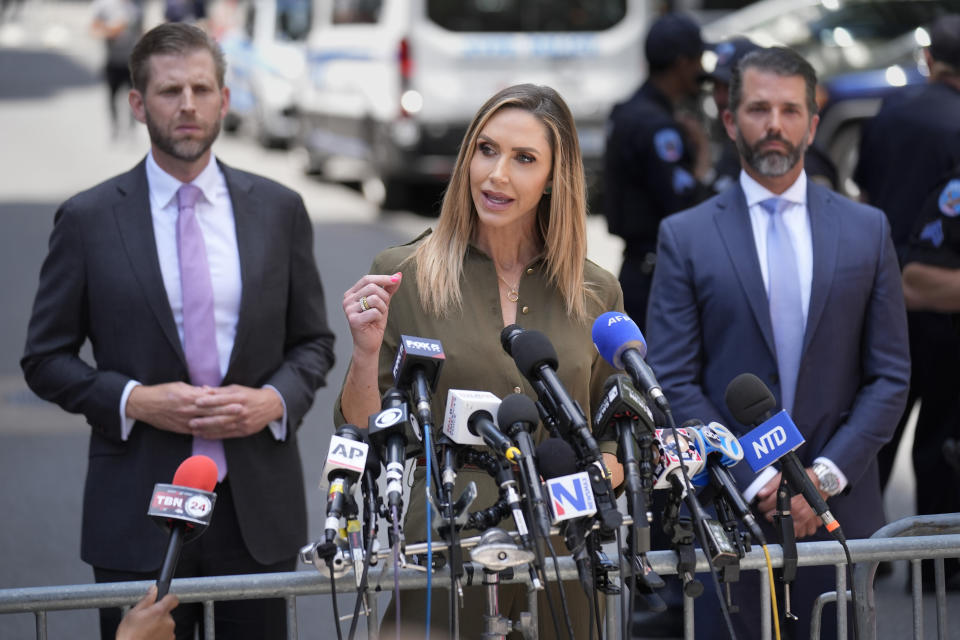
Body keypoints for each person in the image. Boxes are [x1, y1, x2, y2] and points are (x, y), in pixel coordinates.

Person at [21, 22, 336, 640]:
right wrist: (133, 400)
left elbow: (313, 344)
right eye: (169, 91)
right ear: (137, 103)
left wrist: (272, 401)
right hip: (136, 512)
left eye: (201, 88)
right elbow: (45, 357)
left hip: (257, 512)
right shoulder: (88, 219)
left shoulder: (279, 210)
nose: (187, 105)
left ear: (225, 97)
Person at [335, 83, 624, 639]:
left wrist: (593, 479)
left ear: (553, 180)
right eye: (486, 150)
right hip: (442, 554)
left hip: (563, 558)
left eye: (524, 159)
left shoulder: (595, 290)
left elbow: (618, 429)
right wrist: (365, 350)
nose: (497, 175)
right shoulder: (406, 274)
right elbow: (365, 430)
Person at [645, 47, 910, 640]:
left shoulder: (868, 230)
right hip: (726, 518)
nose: (775, 124)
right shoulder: (685, 236)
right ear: (732, 120)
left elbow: (889, 375)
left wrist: (823, 478)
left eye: (791, 110)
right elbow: (672, 377)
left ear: (813, 124)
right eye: (759, 108)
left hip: (840, 518)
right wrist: (759, 479)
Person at [853, 14, 960, 567]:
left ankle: (874, 548)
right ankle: (937, 561)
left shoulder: (891, 110)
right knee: (939, 438)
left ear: (927, 60)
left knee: (879, 425)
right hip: (941, 303)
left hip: (881, 293)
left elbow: (866, 191)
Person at [603, 12, 713, 331]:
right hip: (656, 277)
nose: (701, 71)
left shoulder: (628, 111)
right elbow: (684, 206)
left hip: (636, 269)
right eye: (697, 61)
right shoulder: (657, 126)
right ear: (682, 63)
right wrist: (703, 158)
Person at [706, 36, 838, 194]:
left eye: (728, 88)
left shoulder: (799, 162)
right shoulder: (733, 148)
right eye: (716, 87)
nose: (720, 98)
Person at [90, 0, 143, 138]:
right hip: (113, 60)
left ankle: (132, 128)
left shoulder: (136, 6)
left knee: (134, 95)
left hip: (132, 61)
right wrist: (111, 30)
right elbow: (93, 29)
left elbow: (141, 30)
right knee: (112, 96)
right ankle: (115, 127)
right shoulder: (104, 5)